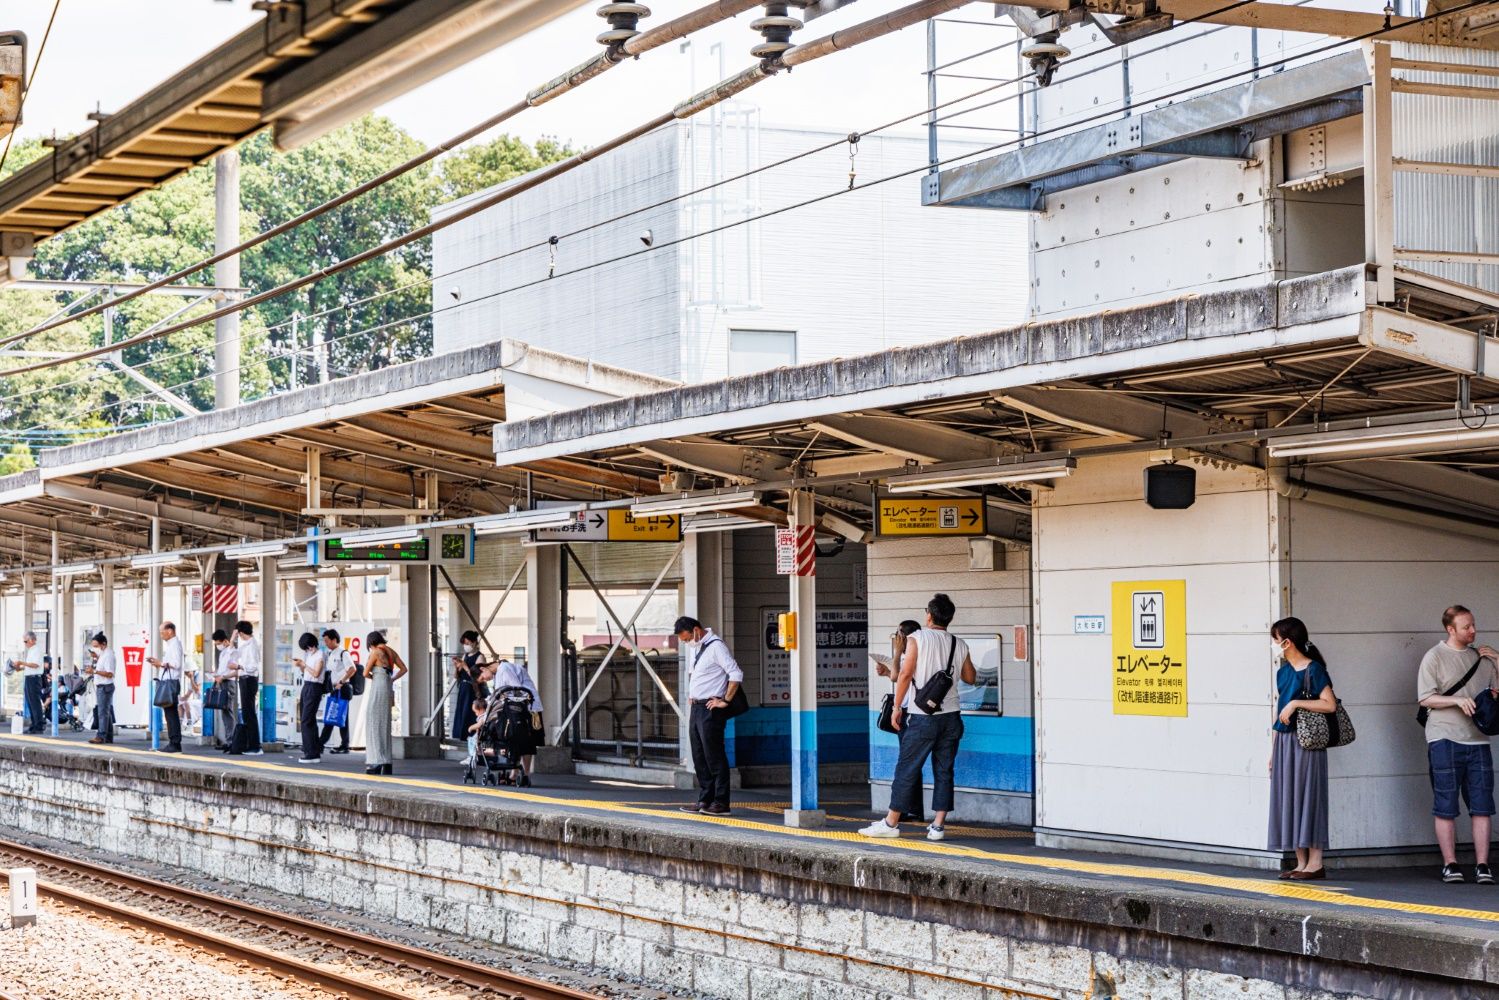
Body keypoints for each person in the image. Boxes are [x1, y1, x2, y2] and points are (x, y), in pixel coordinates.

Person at [860, 594, 977, 842]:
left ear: (929, 615)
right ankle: (937, 826)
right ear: (949, 617)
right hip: (952, 717)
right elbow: (970, 677)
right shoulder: (959, 643)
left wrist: (896, 708)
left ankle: (891, 823)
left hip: (922, 716)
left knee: (907, 767)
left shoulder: (917, 638)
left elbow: (904, 675)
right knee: (944, 770)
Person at [1417, 605, 1499, 884]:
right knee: (1446, 804)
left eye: (1473, 625)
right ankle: (1450, 863)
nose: (1473, 631)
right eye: (1466, 627)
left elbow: (1496, 695)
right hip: (1443, 738)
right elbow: (1425, 698)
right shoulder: (1434, 657)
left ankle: (1482, 865)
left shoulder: (1483, 658)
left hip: (1478, 740)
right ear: (1450, 629)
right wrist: (1456, 700)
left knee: (1483, 805)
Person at [1267, 617, 1339, 881]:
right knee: (1291, 799)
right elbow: (1278, 717)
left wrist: (1296, 703)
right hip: (1286, 742)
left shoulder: (1314, 669)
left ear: (1288, 642)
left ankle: (1315, 863)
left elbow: (1329, 704)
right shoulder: (1282, 672)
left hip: (1308, 741)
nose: (1274, 645)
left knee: (1310, 797)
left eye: (1276, 640)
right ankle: (1301, 862)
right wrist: (1273, 753)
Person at [675, 615, 742, 816]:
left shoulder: (716, 647)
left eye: (687, 639)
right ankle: (705, 799)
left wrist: (726, 701)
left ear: (696, 630)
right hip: (697, 708)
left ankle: (721, 803)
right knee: (699, 755)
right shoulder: (698, 649)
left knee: (714, 756)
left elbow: (735, 674)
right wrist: (693, 696)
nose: (687, 643)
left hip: (711, 709)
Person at [493, 657, 543, 785]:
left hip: (523, 709)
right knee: (525, 742)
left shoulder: (504, 669)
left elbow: (516, 688)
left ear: (483, 668)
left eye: (482, 677)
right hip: (526, 708)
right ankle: (519, 774)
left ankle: (518, 774)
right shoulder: (504, 669)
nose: (485, 680)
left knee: (519, 740)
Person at [363, 631, 407, 775]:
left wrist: (375, 677)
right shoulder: (391, 652)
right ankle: (387, 763)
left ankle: (376, 761)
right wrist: (392, 679)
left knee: (373, 721)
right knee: (385, 723)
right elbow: (404, 669)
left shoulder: (375, 652)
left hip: (378, 685)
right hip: (388, 684)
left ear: (371, 642)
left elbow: (365, 672)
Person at [145, 621, 184, 753]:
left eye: (162, 632)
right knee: (169, 713)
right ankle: (173, 742)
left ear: (170, 631)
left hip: (171, 682)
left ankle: (175, 743)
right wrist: (159, 663)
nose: (161, 635)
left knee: (171, 713)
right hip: (169, 681)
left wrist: (160, 663)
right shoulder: (172, 645)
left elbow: (176, 664)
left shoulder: (175, 645)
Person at [318, 629, 356, 755]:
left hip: (342, 688)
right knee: (335, 715)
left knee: (339, 716)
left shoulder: (343, 653)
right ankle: (341, 745)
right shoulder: (330, 654)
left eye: (327, 640)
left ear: (334, 640)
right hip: (334, 689)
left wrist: (342, 681)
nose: (325, 643)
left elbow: (352, 669)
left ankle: (322, 744)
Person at [229, 621, 263, 756]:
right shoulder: (245, 645)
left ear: (241, 633)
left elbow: (253, 666)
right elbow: (233, 655)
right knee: (247, 713)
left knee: (249, 713)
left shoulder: (253, 645)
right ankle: (251, 744)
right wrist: (232, 640)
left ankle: (255, 746)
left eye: (238, 634)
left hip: (249, 679)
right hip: (244, 679)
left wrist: (238, 667)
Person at [292, 632, 325, 763]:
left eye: (307, 647)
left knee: (307, 720)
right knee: (307, 719)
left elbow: (316, 674)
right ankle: (311, 749)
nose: (307, 649)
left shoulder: (320, 655)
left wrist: (305, 665)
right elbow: (307, 672)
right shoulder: (309, 655)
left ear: (312, 644)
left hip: (314, 687)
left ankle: (311, 753)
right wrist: (301, 666)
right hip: (306, 685)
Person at [451, 630, 486, 741]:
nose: (466, 646)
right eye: (464, 644)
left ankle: (471, 734)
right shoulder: (465, 655)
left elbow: (477, 676)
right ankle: (460, 734)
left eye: (468, 643)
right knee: (461, 710)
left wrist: (465, 666)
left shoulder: (480, 657)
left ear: (475, 642)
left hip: (473, 688)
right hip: (463, 686)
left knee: (470, 710)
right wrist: (457, 667)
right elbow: (457, 676)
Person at [210, 629, 239, 751]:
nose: (218, 646)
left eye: (218, 643)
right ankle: (228, 740)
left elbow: (236, 671)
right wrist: (216, 674)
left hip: (228, 683)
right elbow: (223, 669)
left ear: (226, 641)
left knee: (228, 712)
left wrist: (223, 676)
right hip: (222, 682)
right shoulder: (223, 654)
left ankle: (232, 741)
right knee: (224, 712)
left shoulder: (233, 652)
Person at [85, 633, 116, 745]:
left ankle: (101, 736)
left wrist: (94, 671)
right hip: (102, 686)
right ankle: (108, 736)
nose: (94, 648)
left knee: (102, 712)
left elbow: (109, 674)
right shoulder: (103, 654)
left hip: (105, 687)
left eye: (96, 646)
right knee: (105, 712)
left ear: (103, 644)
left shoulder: (108, 655)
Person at [15, 632, 42, 733]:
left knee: (35, 703)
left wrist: (22, 663)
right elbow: (30, 666)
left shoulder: (37, 650)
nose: (25, 643)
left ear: (32, 640)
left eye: (25, 641)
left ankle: (38, 726)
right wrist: (20, 668)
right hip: (29, 677)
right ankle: (33, 725)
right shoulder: (31, 650)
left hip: (34, 679)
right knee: (30, 703)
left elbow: (35, 665)